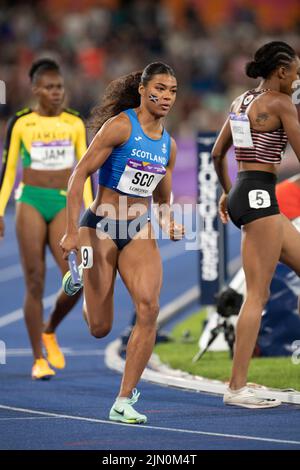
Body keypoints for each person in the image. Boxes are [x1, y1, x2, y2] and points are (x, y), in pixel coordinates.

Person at [60, 62, 184, 424]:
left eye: (173, 91)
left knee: (149, 308)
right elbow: (79, 173)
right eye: (159, 88)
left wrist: (168, 220)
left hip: (138, 230)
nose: (166, 96)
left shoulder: (168, 146)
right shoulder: (120, 126)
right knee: (100, 327)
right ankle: (79, 275)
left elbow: (161, 200)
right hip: (98, 227)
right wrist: (70, 231)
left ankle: (123, 400)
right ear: (144, 90)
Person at [212, 41, 300, 408]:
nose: (297, 78)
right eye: (295, 71)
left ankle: (240, 384)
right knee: (258, 295)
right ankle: (236, 387)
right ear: (281, 71)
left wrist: (228, 194)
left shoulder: (239, 102)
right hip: (260, 196)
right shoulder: (280, 104)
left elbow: (218, 154)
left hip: (246, 191)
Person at [0, 58, 94, 380]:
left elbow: (86, 173)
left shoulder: (75, 123)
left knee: (77, 278)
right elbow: (9, 170)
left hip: (63, 204)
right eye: (50, 87)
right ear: (36, 89)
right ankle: (38, 359)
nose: (57, 92)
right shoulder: (22, 123)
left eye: (60, 87)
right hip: (30, 202)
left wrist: (91, 215)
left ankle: (50, 328)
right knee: (35, 281)